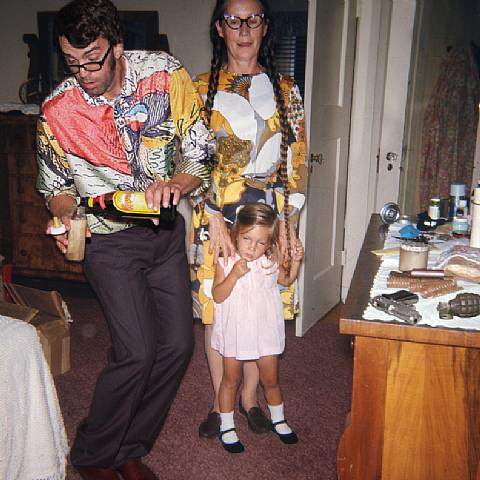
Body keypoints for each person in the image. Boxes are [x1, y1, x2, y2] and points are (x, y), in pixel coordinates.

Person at [36, 1, 212, 479]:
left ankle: (129, 447)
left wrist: (176, 185)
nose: (83, 73)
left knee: (177, 347)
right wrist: (64, 215)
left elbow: (199, 151)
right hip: (107, 242)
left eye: (92, 59)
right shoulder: (57, 110)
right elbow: (55, 187)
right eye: (72, 62)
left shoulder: (165, 75)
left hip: (164, 234)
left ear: (116, 46)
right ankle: (93, 454)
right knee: (136, 352)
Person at [190, 0, 307, 438]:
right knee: (218, 311)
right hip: (214, 219)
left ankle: (251, 400)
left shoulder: (286, 90)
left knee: (262, 307)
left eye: (252, 19)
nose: (243, 29)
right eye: (233, 20)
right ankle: (219, 400)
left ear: (264, 26)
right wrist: (211, 214)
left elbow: (297, 163)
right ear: (220, 28)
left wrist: (289, 224)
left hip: (267, 219)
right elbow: (189, 160)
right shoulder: (200, 88)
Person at [211, 203, 304, 453]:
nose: (253, 247)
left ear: (269, 243)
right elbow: (218, 295)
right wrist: (233, 276)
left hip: (265, 330)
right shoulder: (226, 261)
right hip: (236, 330)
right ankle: (227, 425)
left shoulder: (269, 261)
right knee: (231, 379)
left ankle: (279, 419)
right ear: (236, 234)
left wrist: (296, 262)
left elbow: (286, 280)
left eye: (261, 242)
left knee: (270, 379)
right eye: (247, 239)